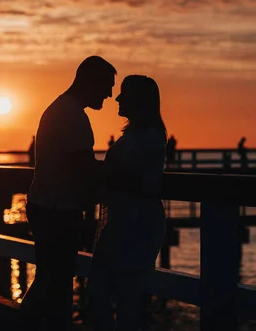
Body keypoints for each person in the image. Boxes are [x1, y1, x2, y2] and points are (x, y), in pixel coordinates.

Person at [21, 56, 117, 330]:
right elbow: (84, 167)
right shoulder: (73, 115)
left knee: (49, 276)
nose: (110, 94)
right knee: (58, 279)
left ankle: (27, 320)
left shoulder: (60, 108)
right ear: (90, 81)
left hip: (45, 204)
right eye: (107, 86)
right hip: (57, 210)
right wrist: (120, 172)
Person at [90, 75, 167, 331]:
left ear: (139, 100)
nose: (118, 98)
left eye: (125, 93)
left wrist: (104, 175)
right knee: (102, 287)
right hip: (121, 220)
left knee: (126, 296)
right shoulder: (134, 134)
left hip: (138, 223)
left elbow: (143, 181)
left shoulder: (151, 136)